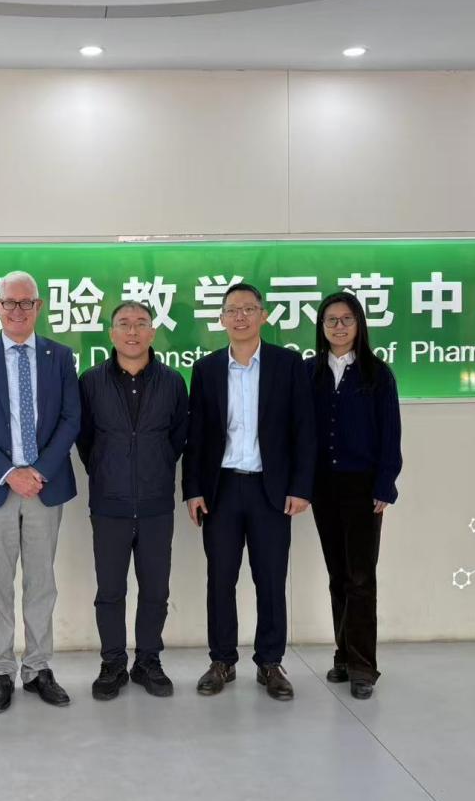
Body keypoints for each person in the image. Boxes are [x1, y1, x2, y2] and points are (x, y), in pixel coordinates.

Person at [183, 282, 316, 701]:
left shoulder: (287, 365)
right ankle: (221, 660)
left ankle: (270, 662)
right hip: (221, 489)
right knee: (220, 579)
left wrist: (301, 486)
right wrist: (193, 489)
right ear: (221, 318)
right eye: (232, 310)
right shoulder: (206, 369)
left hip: (269, 490)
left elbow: (304, 430)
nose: (240, 317)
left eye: (248, 309)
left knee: (270, 579)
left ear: (263, 315)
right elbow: (196, 436)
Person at [0, 270, 81, 713]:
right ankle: (1, 670)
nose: (17, 310)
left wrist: (38, 471)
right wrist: (10, 472)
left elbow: (71, 419)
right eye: (9, 302)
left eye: (26, 302)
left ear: (38, 307)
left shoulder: (59, 356)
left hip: (45, 486)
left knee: (41, 581)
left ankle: (38, 667)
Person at [77, 301, 188, 700]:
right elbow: (85, 438)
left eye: (141, 323)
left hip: (157, 503)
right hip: (110, 503)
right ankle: (112, 663)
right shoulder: (91, 381)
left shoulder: (172, 381)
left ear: (153, 332)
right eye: (124, 324)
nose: (132, 331)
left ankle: (148, 662)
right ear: (111, 333)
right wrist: (107, 468)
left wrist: (153, 466)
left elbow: (178, 437)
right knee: (110, 590)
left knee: (156, 589)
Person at [306, 292, 403, 700]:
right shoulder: (309, 372)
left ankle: (364, 667)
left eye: (347, 319)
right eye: (331, 320)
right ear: (321, 327)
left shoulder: (377, 374)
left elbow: (391, 433)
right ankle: (343, 655)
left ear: (359, 324)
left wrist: (385, 483)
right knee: (338, 575)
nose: (339, 327)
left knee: (361, 577)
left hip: (364, 488)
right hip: (323, 486)